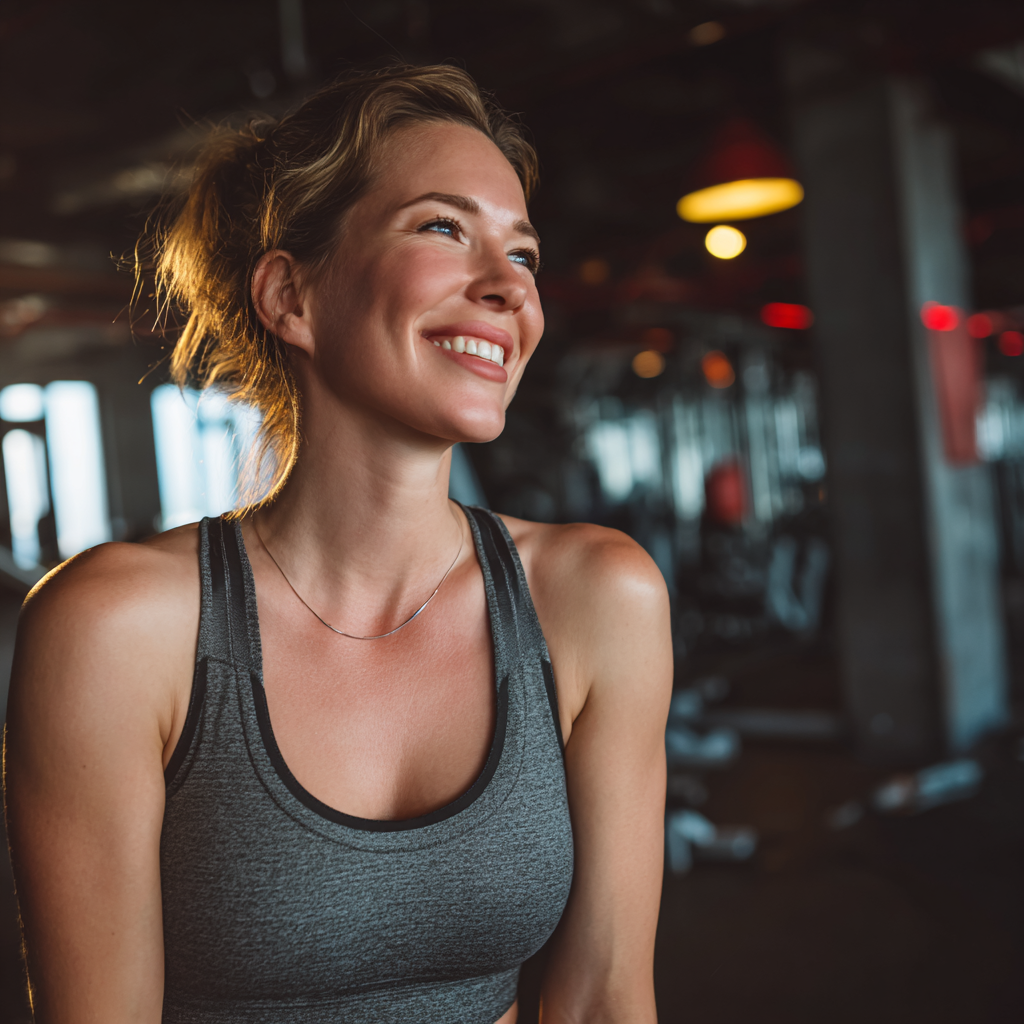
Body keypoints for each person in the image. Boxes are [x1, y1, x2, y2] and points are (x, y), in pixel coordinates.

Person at [4, 65, 672, 1024]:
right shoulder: (115, 629)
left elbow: (605, 999)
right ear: (292, 296)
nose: (506, 290)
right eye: (443, 228)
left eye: (521, 255)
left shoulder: (599, 597)